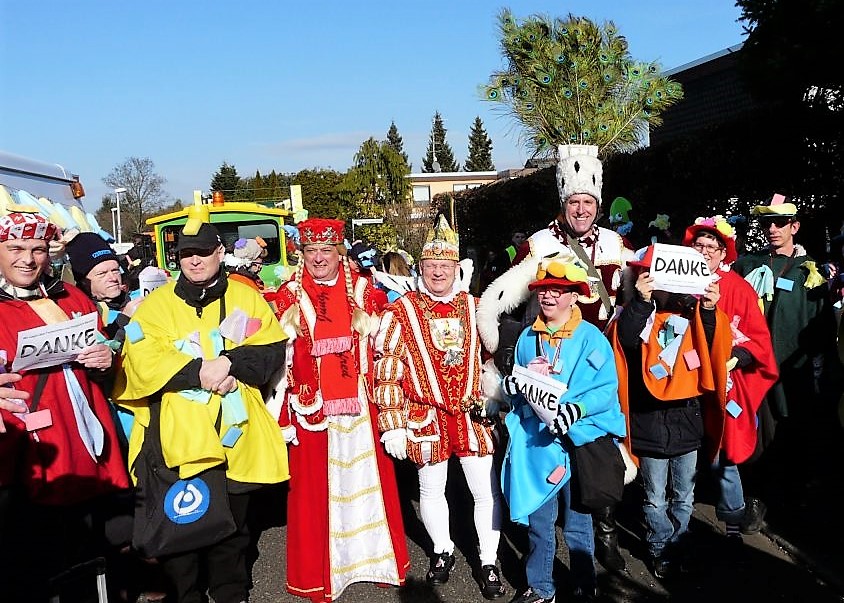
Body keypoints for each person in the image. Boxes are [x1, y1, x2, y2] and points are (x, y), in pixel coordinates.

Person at [113, 221, 290, 603]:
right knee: (183, 529)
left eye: (203, 252)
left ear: (219, 254)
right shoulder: (156, 304)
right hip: (179, 440)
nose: (194, 261)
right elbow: (141, 362)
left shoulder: (246, 297)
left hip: (236, 435)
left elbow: (271, 350)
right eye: (186, 254)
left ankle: (231, 593)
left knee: (235, 530)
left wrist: (229, 363)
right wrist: (200, 372)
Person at [477, 144, 635, 572]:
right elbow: (500, 297)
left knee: (599, 446)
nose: (581, 209)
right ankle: (546, 550)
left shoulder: (617, 244)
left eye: (588, 202)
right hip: (552, 355)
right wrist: (496, 343)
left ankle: (604, 532)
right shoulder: (542, 243)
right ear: (563, 203)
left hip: (600, 353)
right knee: (552, 448)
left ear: (597, 205)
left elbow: (638, 293)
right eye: (574, 202)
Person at [267, 218, 409, 602]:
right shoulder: (288, 296)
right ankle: (323, 573)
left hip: (360, 409)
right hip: (313, 410)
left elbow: (390, 342)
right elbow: (276, 358)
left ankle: (373, 562)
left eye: (325, 251)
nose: (318, 258)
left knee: (367, 485)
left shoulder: (365, 291)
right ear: (302, 254)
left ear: (338, 253)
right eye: (311, 251)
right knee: (318, 494)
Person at [373, 215, 506, 600]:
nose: (437, 273)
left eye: (444, 266)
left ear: (455, 268)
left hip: (470, 413)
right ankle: (442, 551)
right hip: (424, 415)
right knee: (432, 490)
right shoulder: (402, 311)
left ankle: (488, 559)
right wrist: (393, 424)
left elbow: (494, 359)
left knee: (485, 491)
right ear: (421, 267)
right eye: (430, 266)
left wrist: (494, 396)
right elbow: (387, 368)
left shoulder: (476, 307)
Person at [0, 211, 130, 602]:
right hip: (20, 458)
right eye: (16, 248)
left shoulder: (71, 296)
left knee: (87, 554)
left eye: (37, 249)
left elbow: (106, 347)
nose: (28, 259)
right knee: (27, 563)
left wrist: (109, 359)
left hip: (84, 447)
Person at [501, 257, 626, 603]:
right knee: (540, 523)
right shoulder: (527, 338)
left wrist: (577, 409)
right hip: (541, 447)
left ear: (574, 296)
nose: (549, 296)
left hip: (579, 445)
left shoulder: (591, 338)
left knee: (578, 525)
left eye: (558, 290)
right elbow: (522, 387)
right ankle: (541, 588)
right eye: (544, 290)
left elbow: (605, 389)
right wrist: (514, 387)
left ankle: (585, 587)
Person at [607, 243, 732, 579]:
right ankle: (661, 546)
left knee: (684, 496)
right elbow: (627, 343)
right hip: (648, 424)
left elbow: (712, 343)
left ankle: (679, 542)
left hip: (686, 424)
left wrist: (707, 308)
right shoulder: (632, 313)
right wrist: (642, 302)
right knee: (654, 499)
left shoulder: (692, 315)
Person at [731, 194, 837, 516]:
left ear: (795, 226)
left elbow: (821, 324)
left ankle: (794, 499)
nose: (773, 228)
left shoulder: (813, 271)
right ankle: (756, 498)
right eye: (767, 223)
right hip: (755, 369)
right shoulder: (748, 265)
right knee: (759, 433)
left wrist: (820, 367)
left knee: (795, 432)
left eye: (780, 223)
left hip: (795, 370)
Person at [682, 216, 779, 550]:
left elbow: (757, 341)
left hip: (725, 384)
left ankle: (734, 519)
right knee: (682, 451)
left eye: (713, 247)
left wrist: (733, 357)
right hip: (683, 380)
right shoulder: (677, 282)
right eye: (700, 245)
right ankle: (679, 520)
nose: (706, 251)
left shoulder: (739, 287)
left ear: (723, 253)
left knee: (723, 454)